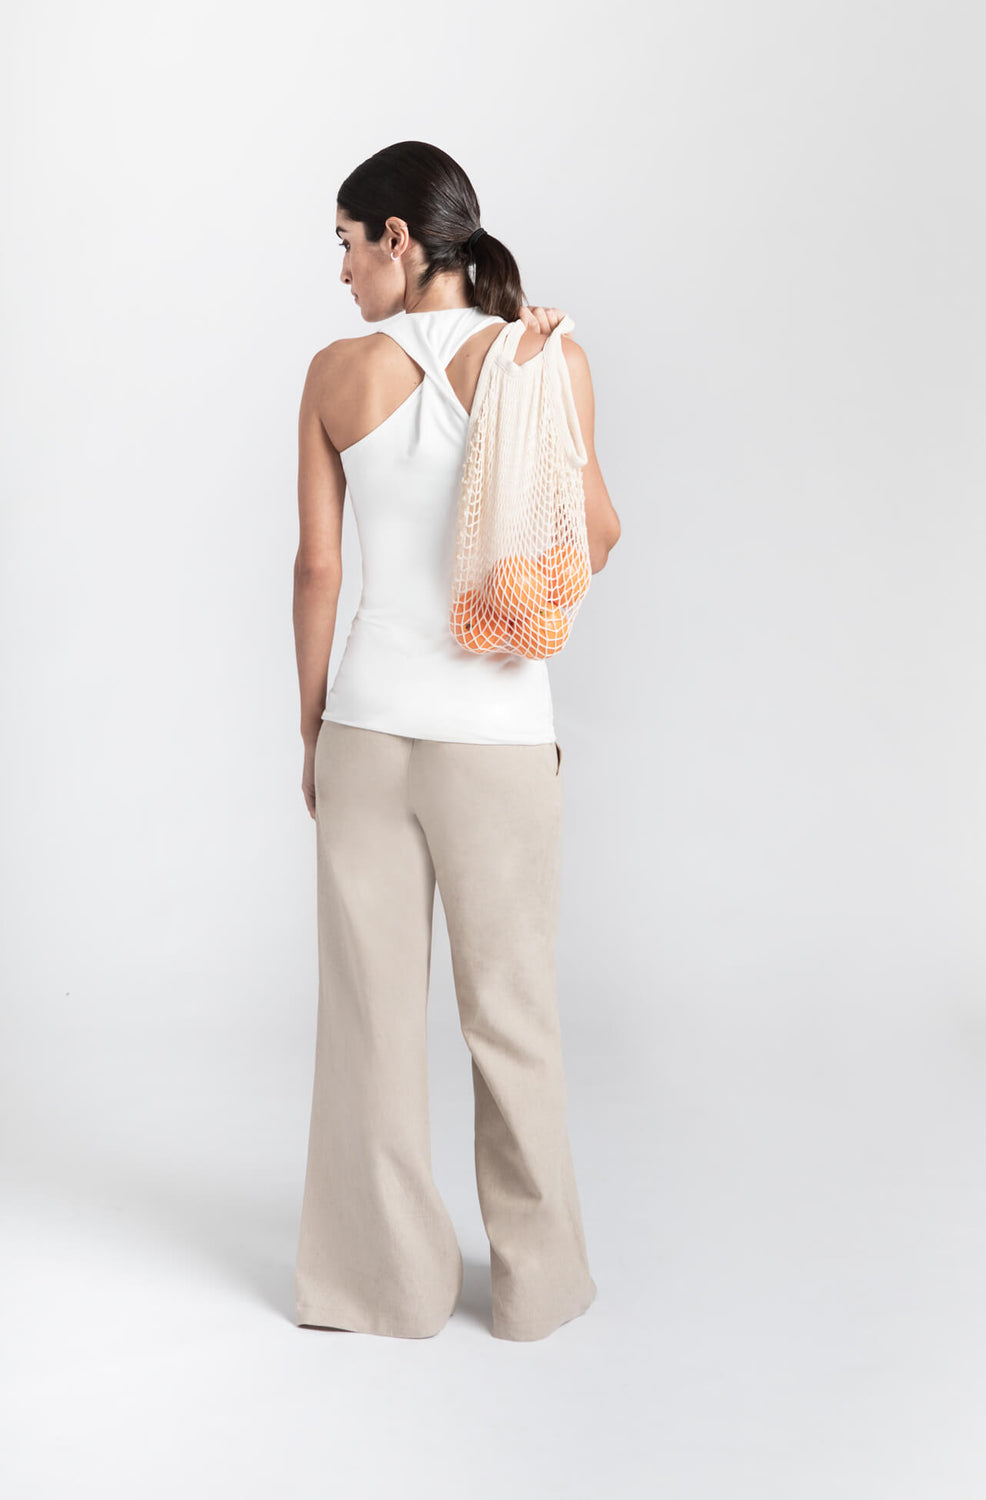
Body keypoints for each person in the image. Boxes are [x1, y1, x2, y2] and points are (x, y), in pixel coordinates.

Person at [291, 140, 621, 1341]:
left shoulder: (335, 375)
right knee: (512, 1012)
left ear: (398, 238)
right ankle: (539, 1289)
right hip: (497, 735)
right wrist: (537, 405)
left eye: (346, 242)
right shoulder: (544, 357)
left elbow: (318, 569)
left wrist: (312, 726)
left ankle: (381, 1287)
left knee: (368, 1024)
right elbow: (594, 540)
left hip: (368, 727)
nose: (340, 271)